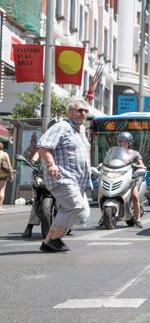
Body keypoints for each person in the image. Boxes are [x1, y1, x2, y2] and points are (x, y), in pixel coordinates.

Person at [37, 99, 91, 252]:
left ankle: (49, 241)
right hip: (62, 176)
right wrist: (51, 164)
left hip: (77, 180)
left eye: (85, 111)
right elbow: (43, 146)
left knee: (68, 208)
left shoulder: (80, 131)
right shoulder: (62, 126)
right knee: (74, 205)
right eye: (80, 110)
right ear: (70, 112)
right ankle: (54, 239)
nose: (83, 113)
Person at [116, 132, 146, 228]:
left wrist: (135, 165)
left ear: (129, 143)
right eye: (121, 141)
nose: (123, 143)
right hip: (117, 178)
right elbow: (109, 160)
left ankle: (138, 219)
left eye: (125, 142)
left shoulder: (135, 154)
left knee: (134, 197)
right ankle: (103, 218)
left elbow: (142, 165)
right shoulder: (117, 153)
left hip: (131, 179)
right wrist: (102, 164)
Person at [0, 142, 14, 212]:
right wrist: (11, 175)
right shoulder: (5, 154)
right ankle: (0, 207)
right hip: (3, 175)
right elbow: (9, 165)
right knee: (2, 190)